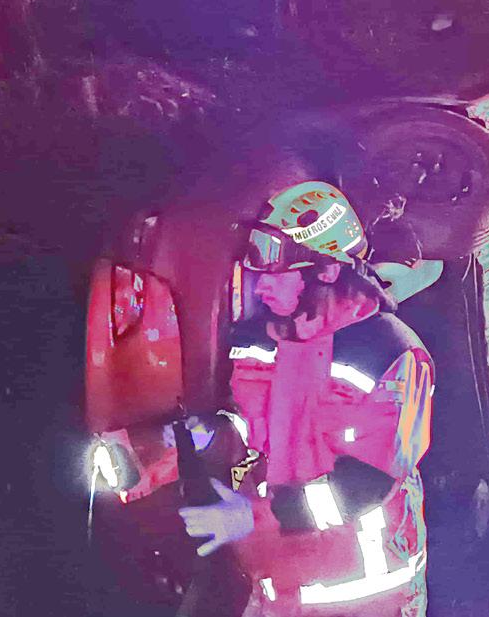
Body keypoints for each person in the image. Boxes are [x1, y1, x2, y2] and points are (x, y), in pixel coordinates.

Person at [178, 179, 435, 616]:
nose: (261, 287)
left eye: (275, 274)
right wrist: (209, 433)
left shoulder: (391, 355)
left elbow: (367, 483)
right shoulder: (261, 339)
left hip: (363, 597)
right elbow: (249, 425)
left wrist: (251, 518)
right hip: (278, 586)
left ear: (327, 270)